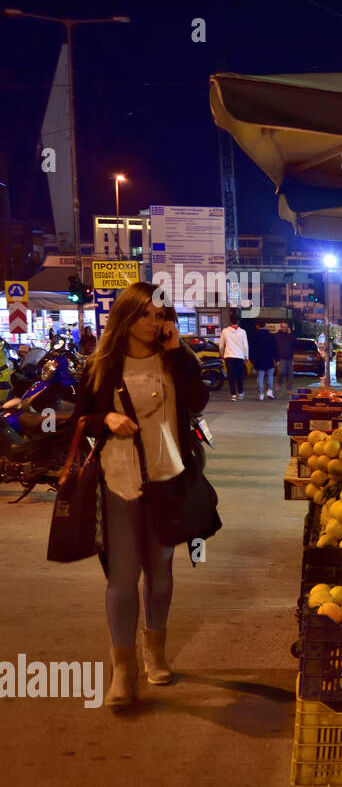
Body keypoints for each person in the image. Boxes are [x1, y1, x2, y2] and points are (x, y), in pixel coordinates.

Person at [72, 282, 209, 708]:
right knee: (122, 576)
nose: (157, 322)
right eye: (149, 314)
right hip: (119, 478)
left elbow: (198, 401)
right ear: (128, 317)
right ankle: (123, 668)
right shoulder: (101, 366)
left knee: (161, 571)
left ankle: (156, 652)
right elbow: (78, 421)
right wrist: (105, 417)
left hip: (168, 476)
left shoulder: (175, 359)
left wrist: (177, 352)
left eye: (162, 315)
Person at [218, 317, 249, 401]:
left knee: (231, 376)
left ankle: (233, 395)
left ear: (230, 321)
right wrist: (246, 357)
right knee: (239, 376)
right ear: (238, 321)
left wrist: (221, 353)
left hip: (229, 357)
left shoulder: (225, 331)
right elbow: (245, 346)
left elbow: (221, 345)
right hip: (239, 357)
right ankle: (240, 393)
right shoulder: (242, 332)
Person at [250, 319, 276, 400]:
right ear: (265, 325)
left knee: (260, 377)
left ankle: (261, 393)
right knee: (270, 376)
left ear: (257, 326)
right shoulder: (271, 335)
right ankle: (270, 391)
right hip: (269, 359)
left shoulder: (254, 336)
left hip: (259, 359)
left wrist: (251, 359)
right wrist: (276, 359)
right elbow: (275, 348)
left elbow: (252, 349)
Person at [273, 322, 295, 395]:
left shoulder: (290, 335)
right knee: (281, 372)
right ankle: (279, 383)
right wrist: (275, 359)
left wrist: (290, 334)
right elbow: (274, 347)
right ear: (280, 327)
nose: (284, 328)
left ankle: (289, 389)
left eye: (285, 327)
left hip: (290, 357)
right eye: (283, 327)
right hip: (281, 358)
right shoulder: (277, 335)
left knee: (290, 374)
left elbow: (295, 343)